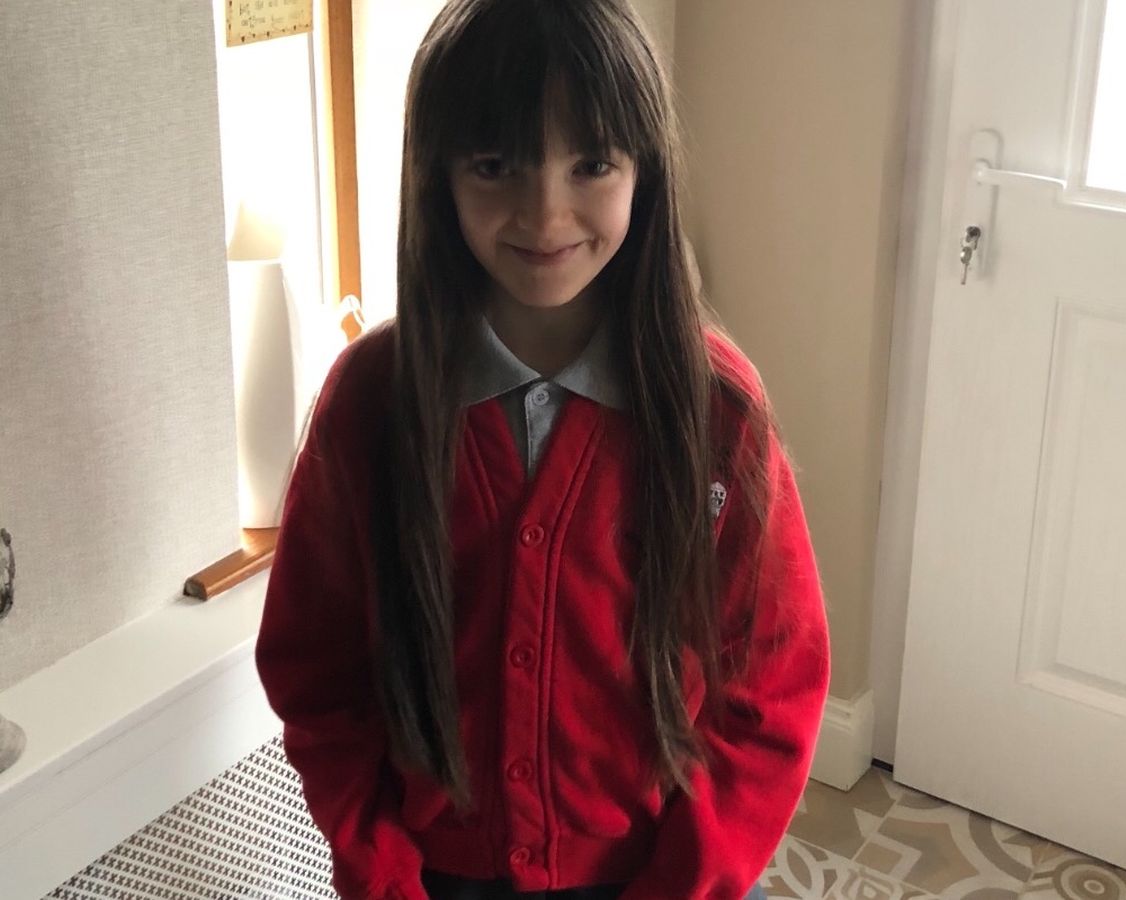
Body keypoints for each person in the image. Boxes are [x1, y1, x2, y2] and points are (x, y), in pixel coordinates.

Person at [254, 1, 831, 897]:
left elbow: (771, 690)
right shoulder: (370, 403)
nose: (545, 212)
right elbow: (319, 675)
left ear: (643, 169)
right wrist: (380, 870)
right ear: (440, 174)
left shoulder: (717, 411)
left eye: (590, 163)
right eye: (495, 166)